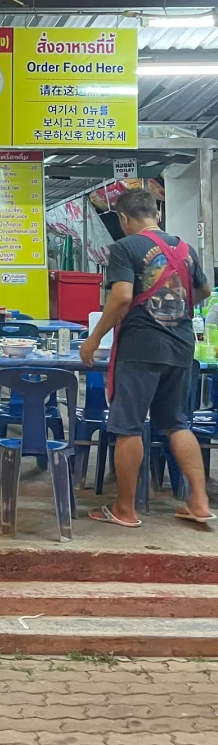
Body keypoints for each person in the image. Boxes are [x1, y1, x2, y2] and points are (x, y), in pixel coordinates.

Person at [80, 187, 213, 527]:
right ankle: (197, 501)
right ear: (156, 214)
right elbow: (204, 291)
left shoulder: (125, 247)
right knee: (176, 423)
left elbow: (122, 297)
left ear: (124, 218)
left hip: (140, 347)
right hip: (181, 345)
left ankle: (125, 509)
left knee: (128, 426)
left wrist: (94, 340)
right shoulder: (185, 249)